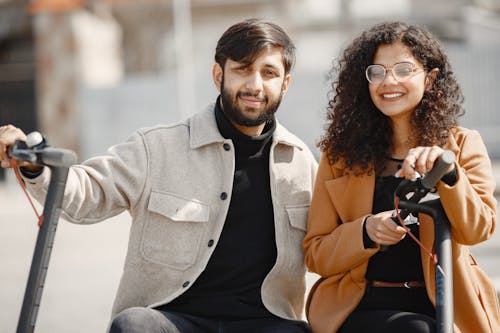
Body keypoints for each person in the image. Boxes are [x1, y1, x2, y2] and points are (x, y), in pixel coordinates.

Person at [0, 18, 317, 333]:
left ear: (284, 84)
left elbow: (334, 245)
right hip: (172, 320)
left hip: (264, 324)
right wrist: (35, 166)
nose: (255, 85)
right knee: (134, 326)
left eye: (269, 73)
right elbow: (85, 193)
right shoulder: (156, 148)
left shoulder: (303, 166)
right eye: (243, 68)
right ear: (218, 74)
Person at [303, 21, 500, 333]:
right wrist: (366, 231)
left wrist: (448, 173)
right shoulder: (339, 156)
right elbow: (316, 255)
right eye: (377, 72)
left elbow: (477, 230)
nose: (388, 81)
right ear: (364, 82)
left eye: (404, 69)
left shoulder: (461, 146)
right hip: (359, 303)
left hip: (445, 301)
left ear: (431, 78)